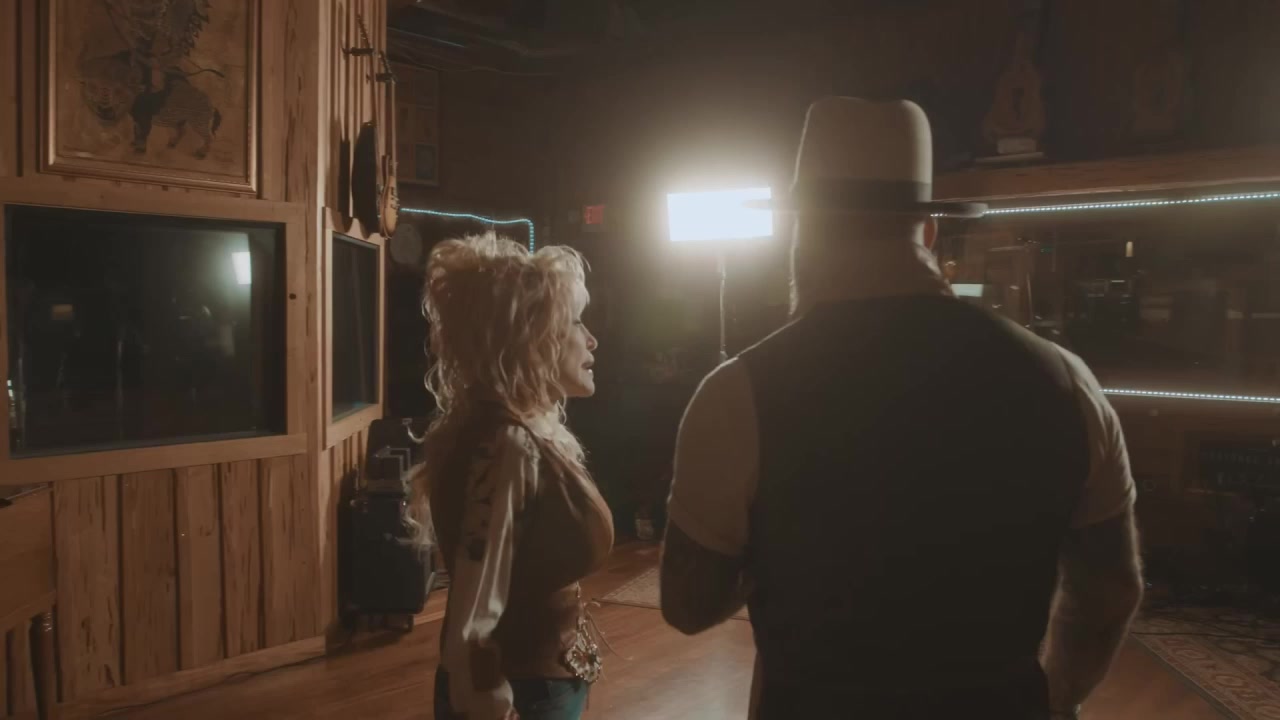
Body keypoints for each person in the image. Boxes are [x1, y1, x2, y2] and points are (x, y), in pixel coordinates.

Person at [660, 97, 1144, 720]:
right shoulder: (1066, 381)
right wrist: (1053, 698)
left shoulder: (738, 393)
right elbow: (1110, 590)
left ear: (803, 232)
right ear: (929, 231)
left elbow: (688, 604)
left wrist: (771, 551)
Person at [410, 232, 614, 720]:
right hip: (520, 695)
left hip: (542, 682)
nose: (591, 339)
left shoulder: (517, 431)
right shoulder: (505, 444)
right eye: (575, 322)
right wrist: (488, 702)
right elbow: (474, 609)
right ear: (532, 338)